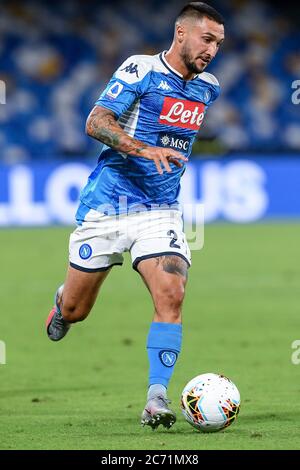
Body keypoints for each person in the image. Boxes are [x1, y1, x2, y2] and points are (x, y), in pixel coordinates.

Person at [46, 2, 225, 430]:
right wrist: (145, 150)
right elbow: (96, 122)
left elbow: (178, 132)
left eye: (219, 43)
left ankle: (156, 397)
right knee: (76, 310)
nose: (213, 50)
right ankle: (61, 304)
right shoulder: (139, 70)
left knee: (172, 294)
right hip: (108, 207)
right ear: (180, 33)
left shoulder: (208, 87)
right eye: (207, 39)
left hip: (160, 211)